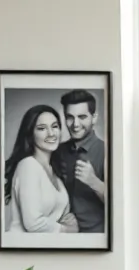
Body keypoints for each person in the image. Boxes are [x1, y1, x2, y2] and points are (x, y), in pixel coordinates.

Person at [3, 104, 77, 233]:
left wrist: (69, 220)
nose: (51, 133)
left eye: (55, 126)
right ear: (30, 134)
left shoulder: (55, 170)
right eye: (42, 128)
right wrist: (66, 229)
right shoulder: (28, 166)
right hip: (20, 250)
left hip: (44, 248)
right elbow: (33, 224)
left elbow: (61, 216)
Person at [50, 89, 106, 234]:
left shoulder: (108, 151)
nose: (75, 124)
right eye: (70, 117)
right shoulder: (56, 151)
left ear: (94, 118)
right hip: (62, 237)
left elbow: (121, 206)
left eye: (82, 117)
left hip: (95, 240)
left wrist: (94, 182)